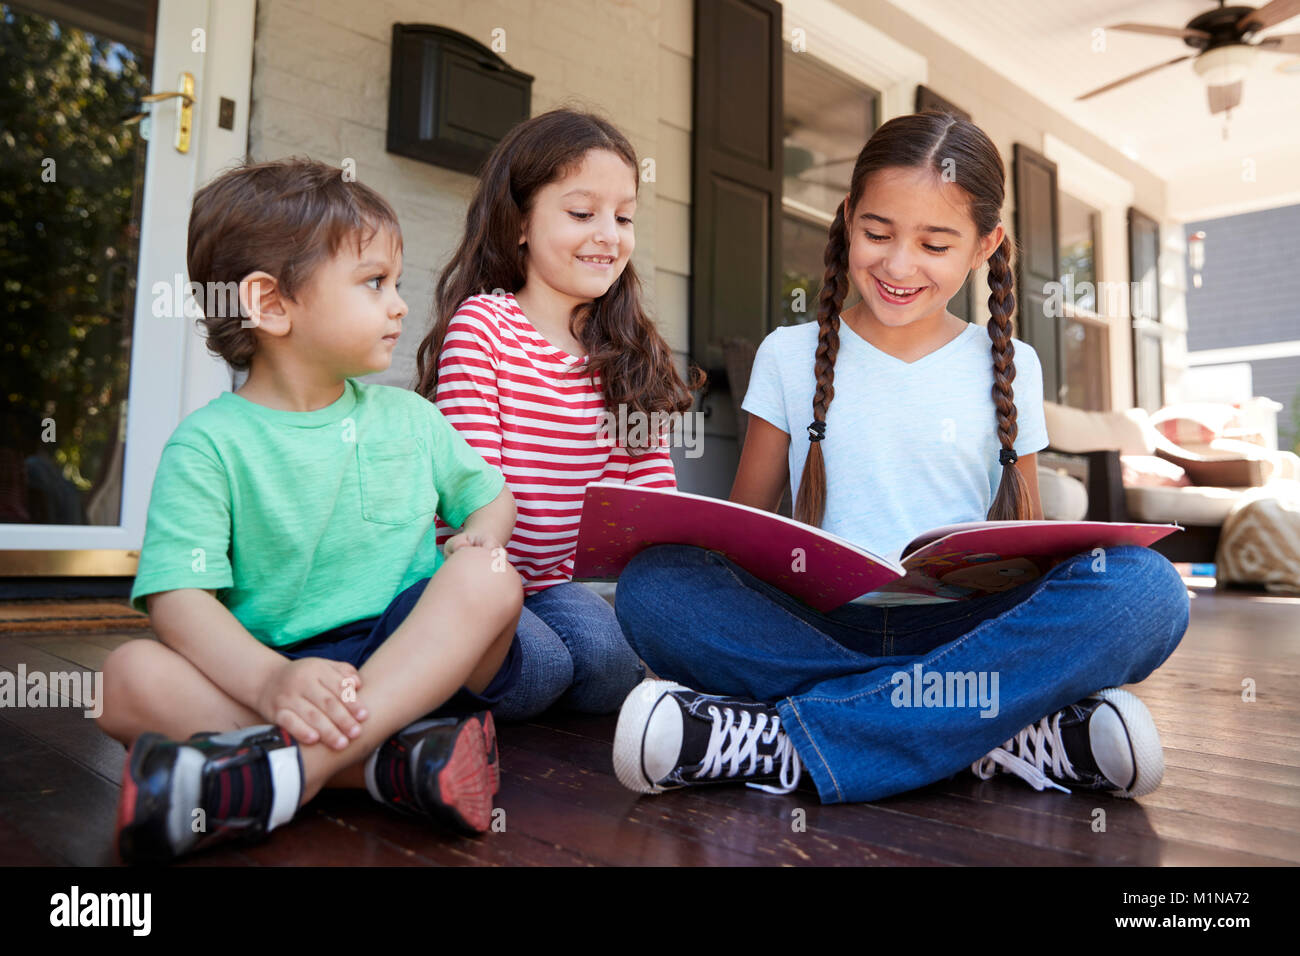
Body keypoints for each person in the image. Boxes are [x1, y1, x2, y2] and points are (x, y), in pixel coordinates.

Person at [611, 111, 1190, 805]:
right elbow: (742, 530)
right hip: (822, 627)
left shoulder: (1013, 365)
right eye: (876, 233)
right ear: (848, 216)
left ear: (984, 247)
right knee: (655, 586)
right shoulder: (789, 355)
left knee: (1147, 591)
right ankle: (994, 733)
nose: (898, 265)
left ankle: (781, 739)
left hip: (965, 628)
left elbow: (1032, 541)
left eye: (935, 244)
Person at [98, 159, 524, 863]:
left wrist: (478, 537)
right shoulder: (208, 444)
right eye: (373, 283)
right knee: (124, 679)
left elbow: (490, 497)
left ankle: (286, 770)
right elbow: (178, 598)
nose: (399, 305)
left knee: (491, 577)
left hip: (410, 658)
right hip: (272, 673)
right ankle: (389, 768)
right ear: (270, 304)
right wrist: (271, 680)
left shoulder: (409, 418)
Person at [415, 109, 704, 721]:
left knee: (608, 665)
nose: (609, 234)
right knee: (543, 666)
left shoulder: (627, 351)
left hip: (552, 586)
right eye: (581, 213)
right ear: (520, 223)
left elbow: (648, 499)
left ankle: (495, 690)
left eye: (623, 217)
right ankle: (429, 677)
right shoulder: (485, 329)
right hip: (476, 582)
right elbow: (474, 492)